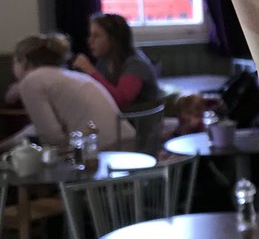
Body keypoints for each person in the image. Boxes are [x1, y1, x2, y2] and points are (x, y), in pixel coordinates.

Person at [4, 33, 132, 151]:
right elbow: (39, 128)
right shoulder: (67, 76)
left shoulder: (31, 81)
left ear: (24, 61)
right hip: (128, 141)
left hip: (100, 149)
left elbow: (52, 137)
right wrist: (6, 145)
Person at [72, 13, 162, 109]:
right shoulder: (105, 60)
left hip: (138, 117)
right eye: (90, 35)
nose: (90, 41)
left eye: (96, 36)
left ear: (113, 39)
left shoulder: (136, 64)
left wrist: (90, 70)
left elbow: (120, 100)